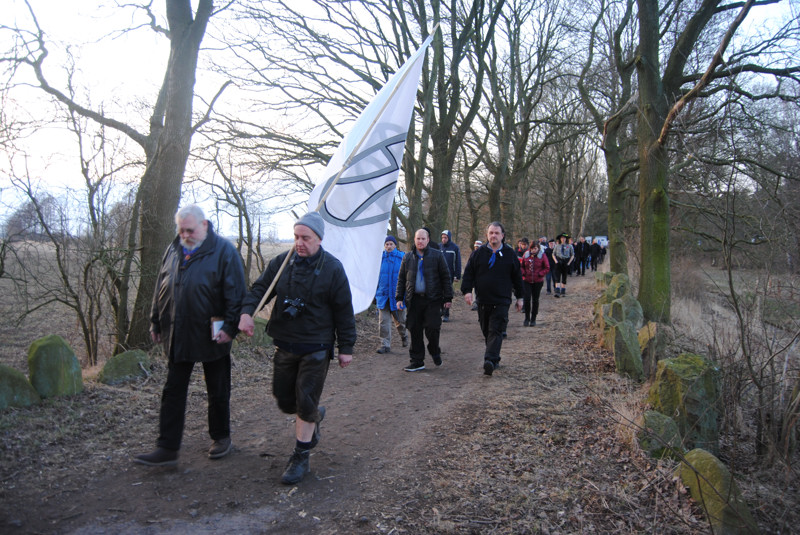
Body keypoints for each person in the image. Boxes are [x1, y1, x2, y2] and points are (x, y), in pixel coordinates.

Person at [238, 212, 356, 485]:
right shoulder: (282, 263)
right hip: (285, 342)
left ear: (319, 239)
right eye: (296, 237)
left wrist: (346, 346)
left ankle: (301, 456)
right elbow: (260, 289)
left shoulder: (333, 268)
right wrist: (246, 313)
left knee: (305, 401)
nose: (299, 243)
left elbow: (343, 310)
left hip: (317, 345)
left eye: (305, 238)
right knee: (284, 399)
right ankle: (314, 415)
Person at [134, 204, 246, 467]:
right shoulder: (173, 249)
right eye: (181, 230)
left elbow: (236, 294)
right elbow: (161, 286)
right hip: (178, 331)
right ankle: (167, 447)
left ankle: (221, 438)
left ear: (204, 225)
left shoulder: (224, 251)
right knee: (173, 390)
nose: (185, 235)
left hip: (213, 333)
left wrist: (230, 328)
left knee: (217, 389)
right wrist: (155, 321)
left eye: (190, 230)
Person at [461, 222, 523, 376]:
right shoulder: (478, 254)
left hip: (502, 300)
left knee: (496, 329)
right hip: (483, 300)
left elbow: (517, 277)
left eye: (496, 233)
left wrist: (520, 297)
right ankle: (495, 357)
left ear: (502, 235)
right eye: (491, 233)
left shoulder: (510, 254)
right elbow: (469, 273)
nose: (493, 235)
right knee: (486, 330)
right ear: (487, 235)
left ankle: (489, 360)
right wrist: (467, 291)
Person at [395, 228, 453, 371]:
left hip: (433, 300)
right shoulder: (407, 257)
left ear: (428, 240)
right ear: (414, 240)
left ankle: (434, 350)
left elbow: (445, 277)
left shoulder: (437, 255)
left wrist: (448, 297)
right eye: (418, 239)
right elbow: (401, 279)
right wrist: (399, 298)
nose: (420, 241)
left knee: (432, 329)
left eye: (423, 238)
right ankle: (417, 361)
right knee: (414, 330)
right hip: (414, 300)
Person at [375, 236, 408, 353]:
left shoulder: (402, 257)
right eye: (387, 244)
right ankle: (385, 345)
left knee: (401, 322)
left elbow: (407, 277)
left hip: (398, 297)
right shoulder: (379, 259)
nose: (389, 246)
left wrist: (405, 294)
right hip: (383, 296)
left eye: (391, 244)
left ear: (395, 245)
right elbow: (374, 278)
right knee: (383, 322)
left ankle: (404, 336)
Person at [521, 241, 550, 326]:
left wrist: (540, 274)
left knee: (535, 300)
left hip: (538, 281)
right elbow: (521, 266)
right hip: (527, 280)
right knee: (527, 299)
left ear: (538, 248)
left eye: (535, 248)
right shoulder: (526, 255)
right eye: (532, 248)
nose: (533, 250)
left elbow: (547, 267)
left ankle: (533, 318)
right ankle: (527, 318)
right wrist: (523, 273)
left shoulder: (542, 256)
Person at [440, 230, 461, 322]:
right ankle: (441, 310)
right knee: (439, 294)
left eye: (445, 238)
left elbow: (458, 262)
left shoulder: (454, 248)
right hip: (439, 275)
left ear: (449, 238)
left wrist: (457, 275)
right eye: (442, 238)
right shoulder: (438, 247)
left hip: (449, 275)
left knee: (447, 294)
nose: (443, 239)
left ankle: (446, 313)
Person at [551, 233, 574, 298]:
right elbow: (553, 254)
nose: (563, 239)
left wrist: (569, 262)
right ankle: (557, 291)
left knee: (564, 277)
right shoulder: (557, 246)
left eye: (564, 238)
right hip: (558, 261)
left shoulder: (569, 246)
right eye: (562, 238)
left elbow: (572, 255)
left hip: (566, 262)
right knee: (557, 277)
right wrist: (556, 261)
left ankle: (563, 291)